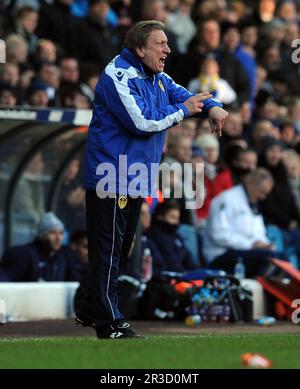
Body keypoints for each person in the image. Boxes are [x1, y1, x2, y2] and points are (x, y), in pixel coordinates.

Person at [79, 20, 228, 339]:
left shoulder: (157, 76)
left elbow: (185, 94)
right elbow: (141, 123)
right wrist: (184, 112)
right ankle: (109, 323)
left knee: (121, 250)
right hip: (111, 174)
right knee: (109, 250)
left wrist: (212, 106)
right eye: (160, 43)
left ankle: (90, 306)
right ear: (140, 48)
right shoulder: (118, 75)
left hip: (135, 177)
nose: (168, 50)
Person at [203, 168, 279, 278]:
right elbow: (217, 235)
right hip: (221, 254)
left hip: (246, 252)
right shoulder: (227, 199)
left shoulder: (253, 203)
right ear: (251, 184)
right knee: (267, 258)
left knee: (280, 258)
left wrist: (265, 244)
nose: (263, 197)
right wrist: (250, 245)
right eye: (262, 192)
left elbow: (259, 233)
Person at [0, 212, 79, 282]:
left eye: (61, 233)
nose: (58, 238)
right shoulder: (23, 254)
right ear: (41, 235)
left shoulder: (62, 257)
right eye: (52, 232)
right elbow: (5, 282)